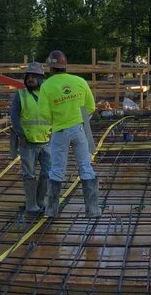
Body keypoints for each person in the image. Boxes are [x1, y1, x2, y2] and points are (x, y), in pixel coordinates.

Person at [40, 50, 100, 214]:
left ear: (50, 68)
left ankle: (52, 210)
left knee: (57, 169)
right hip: (80, 130)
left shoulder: (46, 86)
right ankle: (93, 210)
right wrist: (78, 118)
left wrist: (58, 120)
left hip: (60, 131)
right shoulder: (79, 81)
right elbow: (91, 107)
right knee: (85, 167)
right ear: (65, 66)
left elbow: (44, 114)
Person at [9, 62, 55, 217]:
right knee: (29, 175)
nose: (30, 79)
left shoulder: (47, 95)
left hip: (46, 141)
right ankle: (31, 205)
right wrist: (21, 135)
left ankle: (40, 201)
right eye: (29, 76)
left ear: (41, 79)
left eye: (34, 76)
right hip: (27, 142)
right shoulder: (20, 95)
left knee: (47, 172)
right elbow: (14, 118)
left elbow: (54, 115)